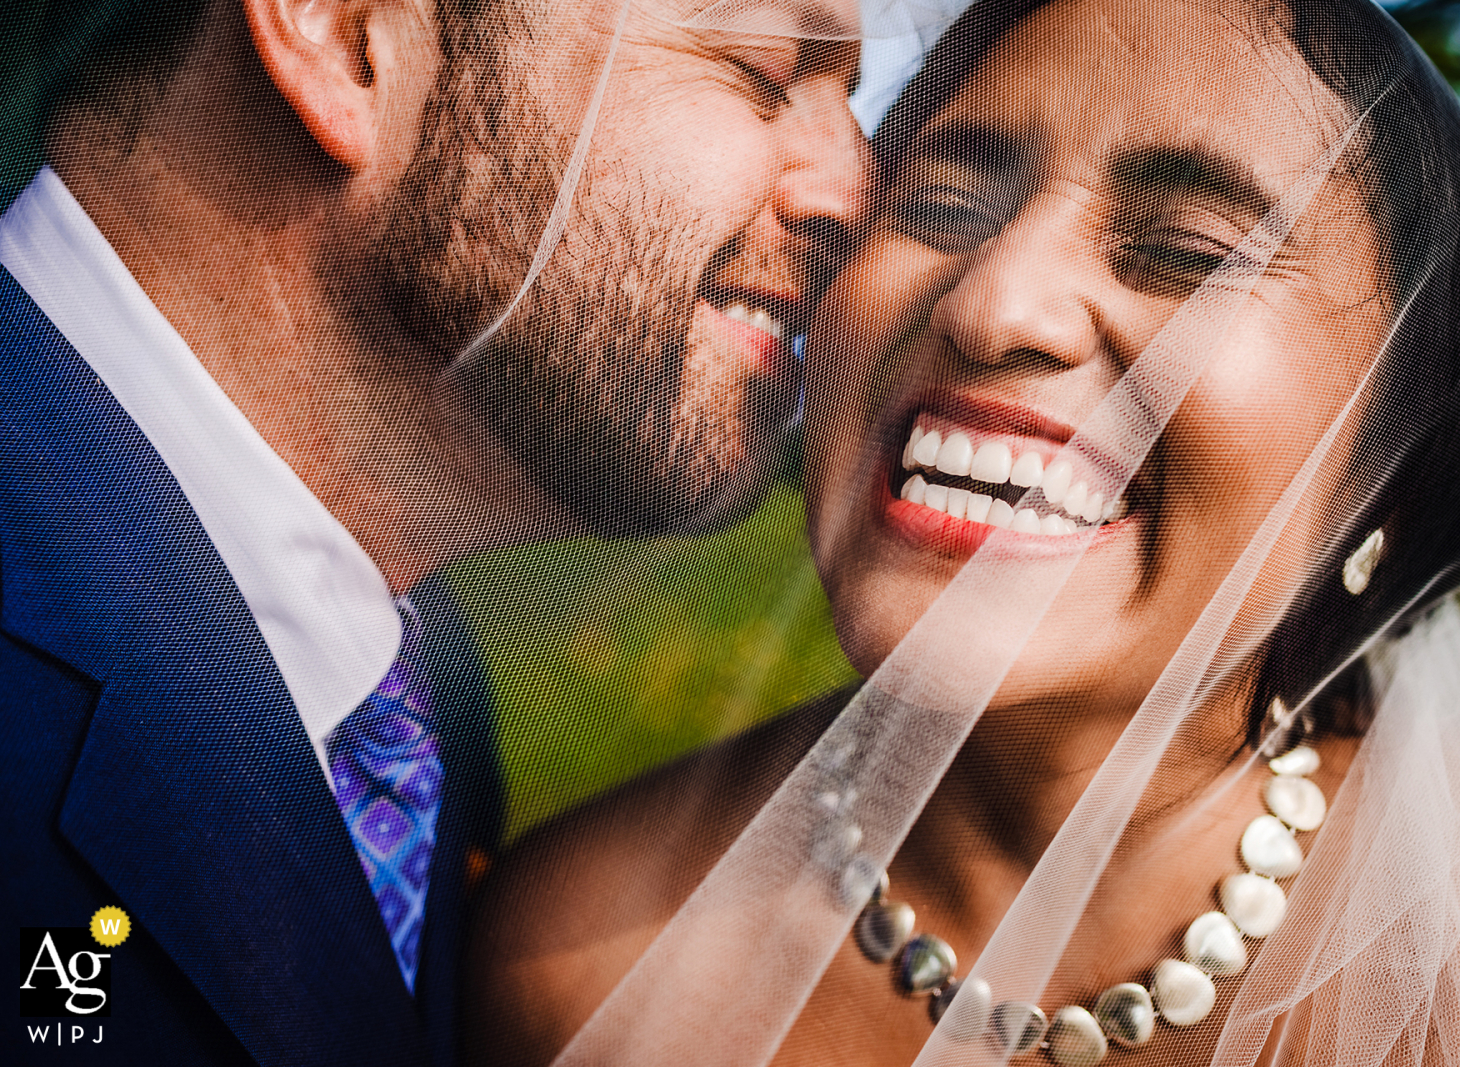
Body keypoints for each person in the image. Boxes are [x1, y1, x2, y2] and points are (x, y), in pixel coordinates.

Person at [464, 0, 1460, 1064]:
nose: (991, 304)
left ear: (1392, 475)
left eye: (1189, 253)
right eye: (944, 207)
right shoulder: (569, 955)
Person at [0, 0, 866, 1063]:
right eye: (763, 69)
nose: (855, 195)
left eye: (851, 100)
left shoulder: (412, 691)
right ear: (348, 37)